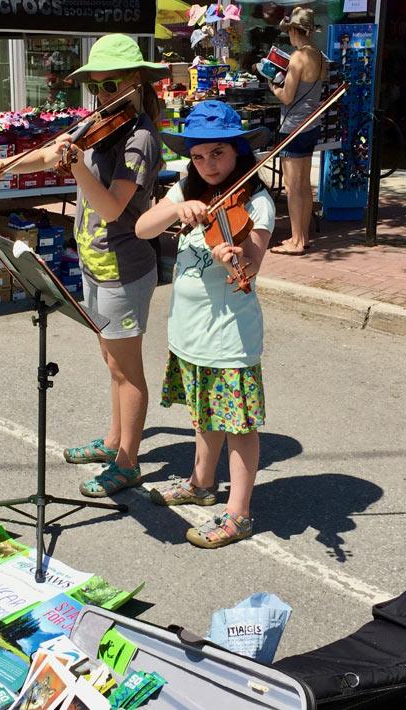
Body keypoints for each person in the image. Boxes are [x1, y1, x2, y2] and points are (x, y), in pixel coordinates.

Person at [0, 34, 170, 497]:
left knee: (128, 370)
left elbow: (110, 208)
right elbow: (50, 153)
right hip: (94, 262)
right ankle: (112, 440)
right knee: (110, 360)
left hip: (123, 267)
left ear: (137, 81)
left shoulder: (140, 138)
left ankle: (128, 462)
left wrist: (78, 167)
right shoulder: (101, 123)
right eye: (97, 86)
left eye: (113, 84)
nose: (103, 95)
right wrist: (6, 165)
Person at [135, 101, 275, 549]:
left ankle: (239, 513)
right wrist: (180, 209)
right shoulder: (185, 190)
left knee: (239, 426)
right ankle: (200, 482)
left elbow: (250, 268)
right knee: (204, 414)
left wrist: (234, 258)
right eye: (198, 156)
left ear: (237, 152)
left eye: (218, 153)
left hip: (230, 335)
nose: (208, 164)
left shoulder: (256, 202)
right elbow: (141, 227)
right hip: (189, 329)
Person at [268, 7, 327, 255]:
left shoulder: (298, 57)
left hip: (294, 126)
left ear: (294, 30)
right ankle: (302, 237)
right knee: (304, 185)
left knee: (293, 187)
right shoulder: (320, 56)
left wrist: (273, 86)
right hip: (311, 125)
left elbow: (287, 96)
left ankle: (296, 240)